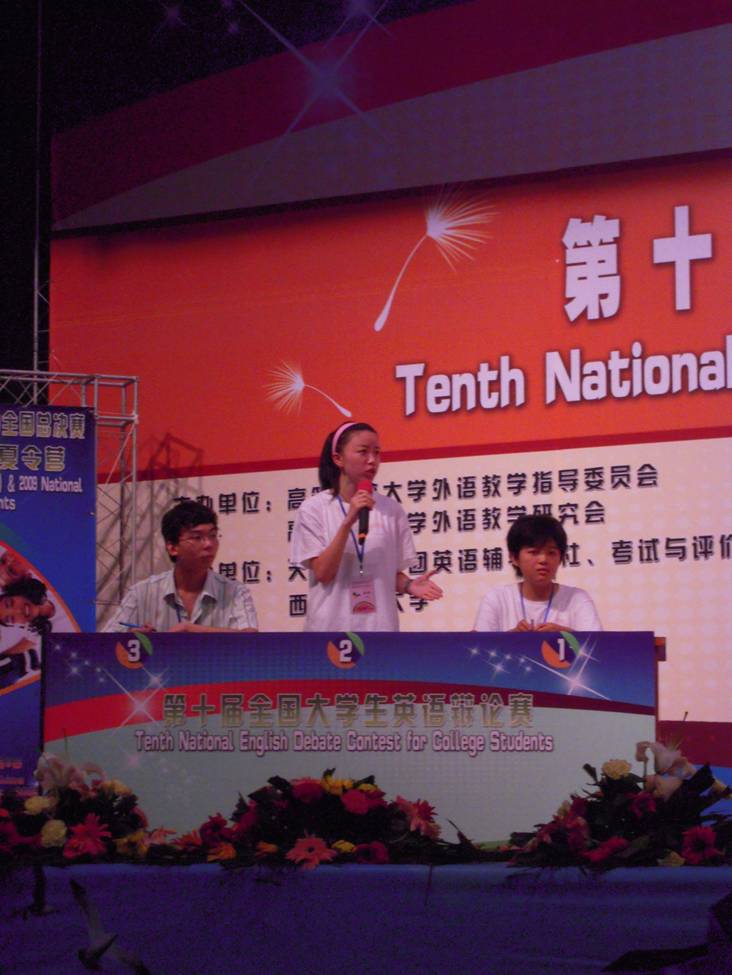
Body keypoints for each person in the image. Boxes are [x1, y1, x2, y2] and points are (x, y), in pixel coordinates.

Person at [290, 421, 443, 631]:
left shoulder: (391, 509)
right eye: (363, 452)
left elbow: (387, 573)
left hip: (379, 629)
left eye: (377, 453)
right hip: (330, 632)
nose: (372, 460)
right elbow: (323, 573)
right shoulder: (313, 509)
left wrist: (409, 585)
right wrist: (348, 522)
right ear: (338, 458)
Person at [103, 500, 258, 633]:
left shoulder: (235, 592)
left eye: (212, 535)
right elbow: (103, 643)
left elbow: (251, 640)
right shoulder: (142, 593)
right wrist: (131, 636)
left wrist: (193, 630)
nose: (209, 544)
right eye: (197, 537)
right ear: (172, 548)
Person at [474, 514, 602, 632]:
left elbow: (598, 646)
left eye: (551, 552)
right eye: (534, 552)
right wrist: (511, 639)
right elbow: (477, 647)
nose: (543, 560)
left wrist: (565, 636)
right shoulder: (496, 599)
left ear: (561, 558)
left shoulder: (577, 599)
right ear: (514, 558)